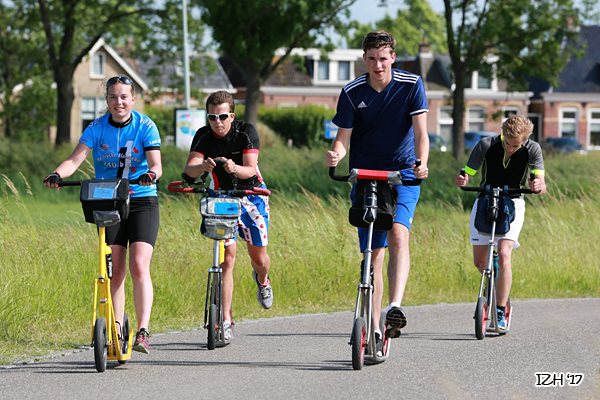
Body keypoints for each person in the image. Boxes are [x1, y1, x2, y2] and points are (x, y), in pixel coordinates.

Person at [324, 30, 429, 354]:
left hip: (402, 175)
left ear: (392, 58)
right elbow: (343, 137)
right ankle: (371, 327)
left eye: (383, 58)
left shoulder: (411, 85)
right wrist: (336, 154)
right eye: (372, 59)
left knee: (399, 233)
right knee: (374, 252)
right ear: (364, 59)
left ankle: (394, 307)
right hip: (366, 177)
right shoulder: (353, 91)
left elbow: (422, 134)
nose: (378, 64)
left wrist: (422, 163)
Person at [44, 76, 162, 354]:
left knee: (139, 265)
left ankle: (142, 332)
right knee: (115, 271)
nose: (118, 102)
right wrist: (57, 174)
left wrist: (150, 175)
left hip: (142, 200)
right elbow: (75, 159)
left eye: (123, 97)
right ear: (106, 100)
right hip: (110, 201)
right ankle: (117, 330)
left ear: (133, 99)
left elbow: (156, 164)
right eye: (112, 97)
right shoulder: (96, 127)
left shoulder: (145, 125)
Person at [182, 90, 273, 341]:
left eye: (222, 116)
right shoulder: (203, 135)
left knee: (259, 257)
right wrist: (202, 166)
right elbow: (188, 171)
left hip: (250, 195)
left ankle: (263, 280)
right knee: (227, 258)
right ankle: (224, 319)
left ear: (232, 115)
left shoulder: (245, 132)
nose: (217, 122)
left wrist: (235, 168)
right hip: (220, 198)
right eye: (212, 117)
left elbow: (250, 169)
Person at [455, 115, 546, 330]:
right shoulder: (486, 145)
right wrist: (463, 179)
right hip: (485, 200)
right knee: (480, 262)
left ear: (525, 140)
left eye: (517, 145)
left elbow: (541, 183)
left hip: (514, 202)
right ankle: (495, 281)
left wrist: (538, 186)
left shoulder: (532, 149)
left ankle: (500, 309)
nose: (512, 149)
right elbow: (468, 173)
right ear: (503, 135)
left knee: (504, 253)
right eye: (508, 143)